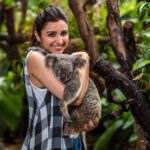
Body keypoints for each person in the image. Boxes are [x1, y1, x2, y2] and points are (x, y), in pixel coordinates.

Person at [22, 5, 99, 150]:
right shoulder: (36, 58)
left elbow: (80, 97)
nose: (59, 40)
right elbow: (75, 99)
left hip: (74, 140)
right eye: (51, 34)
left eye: (64, 33)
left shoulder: (60, 59)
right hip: (50, 142)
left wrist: (85, 119)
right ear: (38, 35)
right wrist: (85, 60)